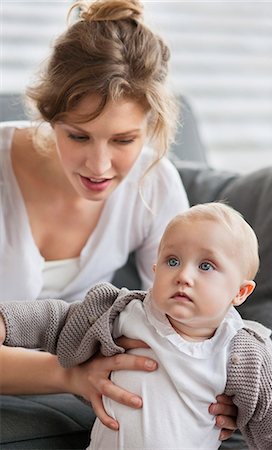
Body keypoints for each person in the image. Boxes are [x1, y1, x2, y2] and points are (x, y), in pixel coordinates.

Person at [0, 0, 237, 446]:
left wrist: (216, 388)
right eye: (78, 135)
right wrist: (73, 376)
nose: (100, 165)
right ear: (49, 117)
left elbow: (182, 317)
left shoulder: (154, 184)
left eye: (124, 139)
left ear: (151, 126)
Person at [1, 203, 272, 450]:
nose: (183, 275)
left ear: (240, 292)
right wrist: (5, 322)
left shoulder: (244, 353)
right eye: (172, 261)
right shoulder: (125, 312)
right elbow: (56, 318)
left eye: (205, 266)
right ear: (155, 271)